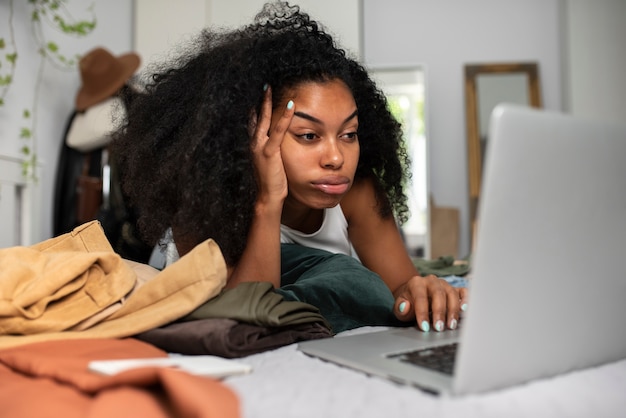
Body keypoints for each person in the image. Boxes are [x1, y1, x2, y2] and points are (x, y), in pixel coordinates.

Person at [111, 1, 467, 333]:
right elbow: (244, 317)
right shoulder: (205, 197)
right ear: (254, 133)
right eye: (309, 135)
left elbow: (400, 290)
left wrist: (424, 292)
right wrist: (269, 201)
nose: (336, 158)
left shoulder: (357, 192)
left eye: (349, 134)